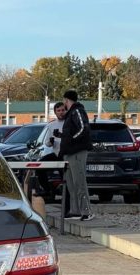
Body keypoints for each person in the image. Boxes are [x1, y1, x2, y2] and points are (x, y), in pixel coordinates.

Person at [57, 90, 94, 221]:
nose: (64, 104)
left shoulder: (77, 110)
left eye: (64, 101)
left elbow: (83, 128)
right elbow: (70, 133)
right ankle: (75, 210)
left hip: (77, 152)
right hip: (69, 153)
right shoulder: (70, 113)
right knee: (71, 184)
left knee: (79, 182)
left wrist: (72, 140)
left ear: (67, 100)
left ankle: (86, 211)